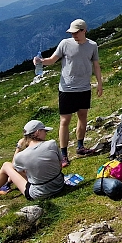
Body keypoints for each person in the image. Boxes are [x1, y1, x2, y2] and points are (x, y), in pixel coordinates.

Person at [35, 19, 103, 167]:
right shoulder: (65, 44)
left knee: (82, 117)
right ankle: (63, 155)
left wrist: (99, 83)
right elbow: (52, 60)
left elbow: (96, 65)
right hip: (67, 89)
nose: (73, 35)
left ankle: (80, 147)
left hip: (84, 88)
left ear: (84, 30)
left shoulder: (92, 46)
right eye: (71, 33)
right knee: (64, 121)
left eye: (76, 32)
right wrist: (40, 62)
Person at [0, 120, 64, 202]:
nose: (46, 133)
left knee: (6, 165)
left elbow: (14, 167)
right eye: (44, 131)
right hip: (59, 185)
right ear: (38, 132)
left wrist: (18, 147)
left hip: (40, 194)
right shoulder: (51, 144)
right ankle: (6, 185)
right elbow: (60, 165)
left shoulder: (21, 156)